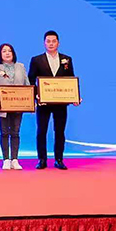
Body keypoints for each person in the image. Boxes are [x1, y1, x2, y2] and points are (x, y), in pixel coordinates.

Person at [28, 30, 78, 170]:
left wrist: (74, 96)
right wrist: (36, 96)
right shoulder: (36, 60)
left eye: (53, 41)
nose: (51, 44)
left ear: (58, 43)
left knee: (60, 131)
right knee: (41, 131)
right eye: (48, 41)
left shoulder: (67, 59)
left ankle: (59, 159)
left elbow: (71, 80)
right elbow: (31, 81)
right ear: (44, 43)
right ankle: (42, 160)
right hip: (43, 102)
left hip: (61, 102)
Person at [0, 43, 30, 171]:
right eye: (4, 51)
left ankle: (15, 159)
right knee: (4, 132)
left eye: (9, 51)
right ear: (0, 54)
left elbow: (27, 85)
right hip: (2, 106)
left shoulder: (21, 67)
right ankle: (6, 160)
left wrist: (30, 101)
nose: (7, 53)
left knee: (15, 132)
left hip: (18, 104)